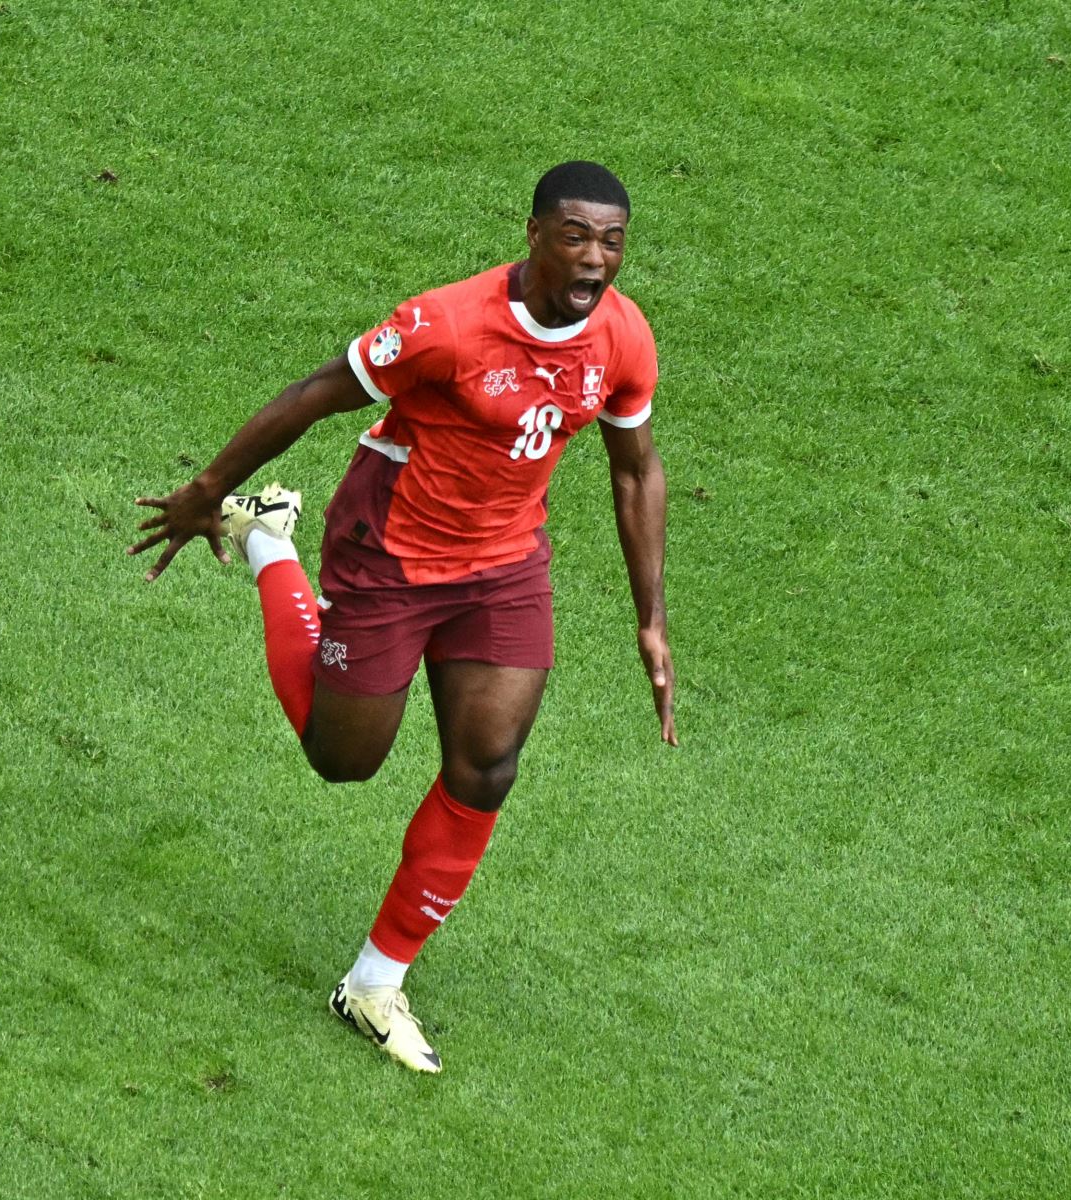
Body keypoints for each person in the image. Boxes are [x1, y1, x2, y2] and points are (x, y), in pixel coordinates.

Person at [128, 160, 676, 1073]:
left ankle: (375, 984)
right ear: (534, 232)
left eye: (613, 240)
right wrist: (204, 491)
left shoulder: (622, 337)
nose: (596, 259)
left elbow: (637, 470)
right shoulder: (445, 327)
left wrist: (650, 618)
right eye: (577, 236)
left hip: (503, 568)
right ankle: (271, 543)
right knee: (344, 759)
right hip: (391, 552)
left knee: (488, 764)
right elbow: (314, 394)